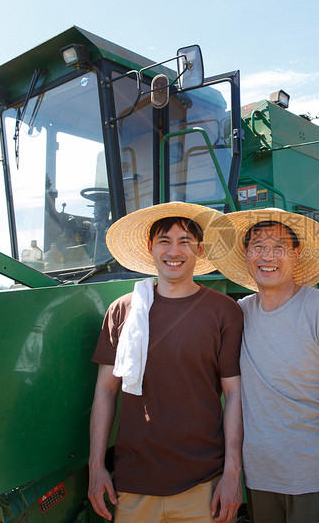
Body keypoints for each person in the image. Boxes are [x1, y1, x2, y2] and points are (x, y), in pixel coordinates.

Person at [88, 202, 244, 522]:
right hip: (132, 485)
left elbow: (235, 395)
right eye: (164, 241)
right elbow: (105, 391)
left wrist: (231, 474)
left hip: (202, 484)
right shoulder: (123, 311)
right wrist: (95, 466)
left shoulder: (224, 311)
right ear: (150, 248)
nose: (175, 250)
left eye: (185, 241)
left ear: (199, 249)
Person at [206, 209, 319, 523]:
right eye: (259, 247)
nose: (268, 256)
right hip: (261, 483)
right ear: (247, 255)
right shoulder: (239, 314)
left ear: (295, 255)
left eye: (279, 247)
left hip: (315, 482)